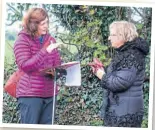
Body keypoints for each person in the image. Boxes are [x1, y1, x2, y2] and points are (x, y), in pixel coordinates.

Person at [91, 21, 149, 127]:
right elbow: (120, 73)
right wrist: (102, 69)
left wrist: (101, 75)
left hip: (125, 116)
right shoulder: (126, 52)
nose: (109, 38)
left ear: (122, 35)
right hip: (121, 110)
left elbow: (119, 83)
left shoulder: (132, 55)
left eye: (112, 35)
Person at [13, 8, 62, 124]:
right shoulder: (22, 40)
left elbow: (57, 63)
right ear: (33, 24)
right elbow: (25, 65)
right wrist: (45, 51)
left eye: (47, 23)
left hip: (50, 94)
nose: (46, 26)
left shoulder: (51, 40)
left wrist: (57, 71)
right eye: (42, 23)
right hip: (30, 95)